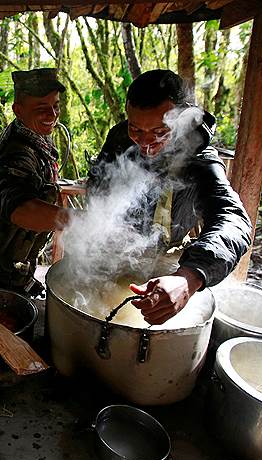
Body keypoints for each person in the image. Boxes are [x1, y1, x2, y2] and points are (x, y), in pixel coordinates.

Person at [89, 69, 252, 324]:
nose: (146, 143)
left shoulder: (199, 158)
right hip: (115, 254)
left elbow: (233, 219)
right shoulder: (119, 141)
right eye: (137, 130)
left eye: (160, 131)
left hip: (171, 263)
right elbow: (98, 189)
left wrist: (188, 278)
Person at [0, 68, 70, 296]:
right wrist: (80, 221)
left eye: (55, 105)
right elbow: (20, 210)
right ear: (18, 110)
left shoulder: (33, 137)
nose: (52, 115)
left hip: (13, 261)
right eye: (41, 109)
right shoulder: (17, 153)